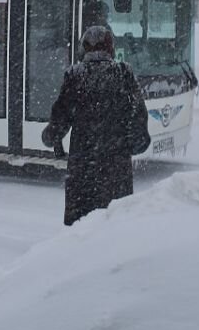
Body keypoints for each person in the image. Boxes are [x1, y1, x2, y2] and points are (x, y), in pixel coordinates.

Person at [42, 25, 151, 226]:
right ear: (110, 49)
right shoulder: (124, 74)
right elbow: (139, 120)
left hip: (83, 168)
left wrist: (52, 137)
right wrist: (132, 143)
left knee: (82, 229)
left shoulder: (75, 75)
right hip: (116, 169)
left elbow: (60, 117)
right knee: (115, 225)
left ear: (84, 49)